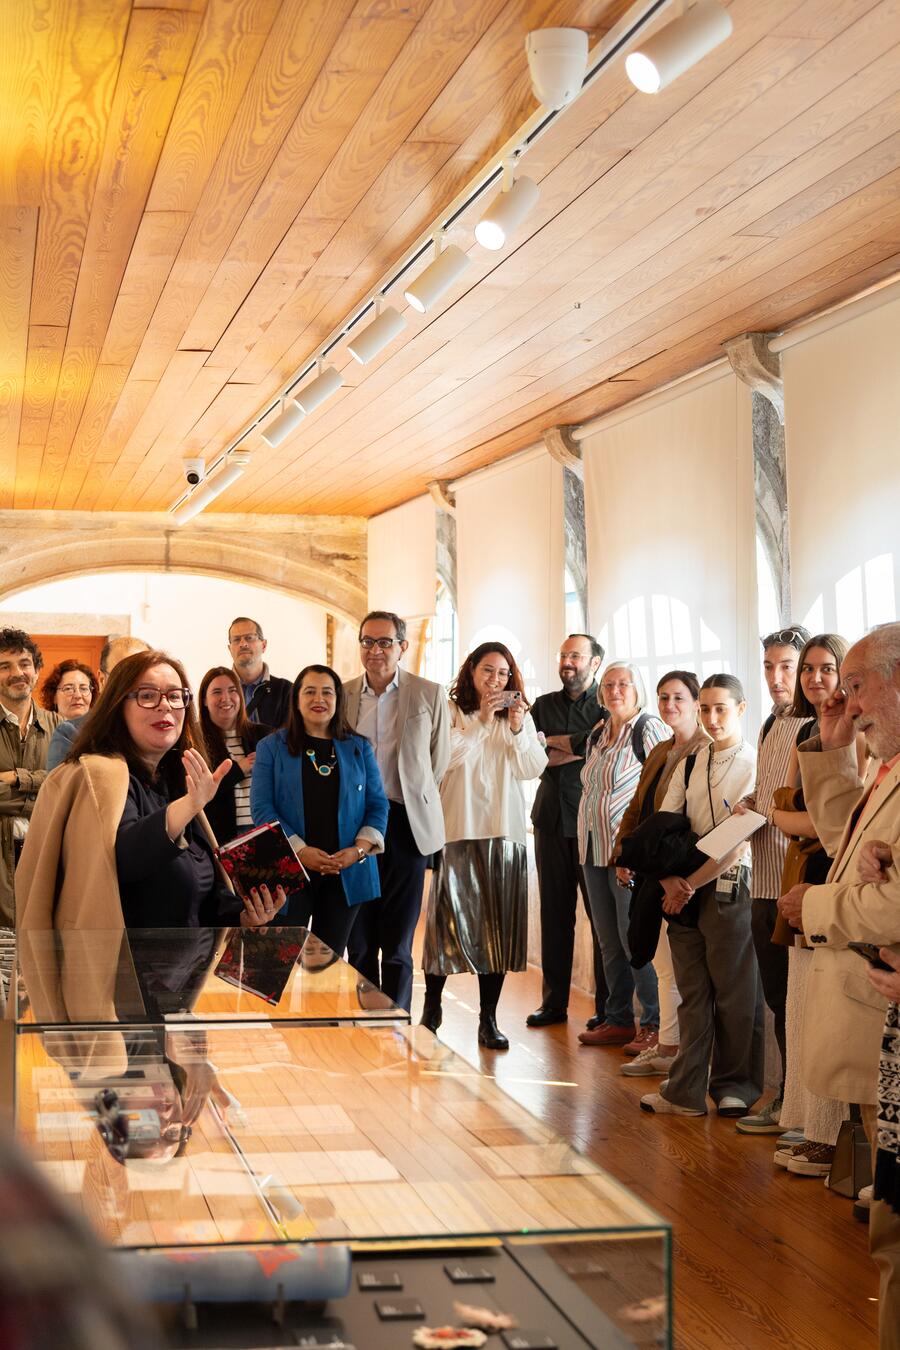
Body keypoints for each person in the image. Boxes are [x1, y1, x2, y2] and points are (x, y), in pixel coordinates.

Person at [776, 622, 900, 1350]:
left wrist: (813, 906)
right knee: (886, 1223)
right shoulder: (884, 764)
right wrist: (828, 749)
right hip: (877, 1015)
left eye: (855, 687)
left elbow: (888, 900)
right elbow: (844, 845)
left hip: (879, 1005)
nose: (849, 706)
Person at [16, 650, 283, 937]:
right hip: (125, 971)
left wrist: (244, 916)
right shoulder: (96, 776)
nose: (164, 706)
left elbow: (201, 894)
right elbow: (122, 863)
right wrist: (189, 805)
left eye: (175, 695)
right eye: (147, 695)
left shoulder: (175, 779)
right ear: (118, 706)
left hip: (188, 970)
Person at [641, 674, 762, 1117]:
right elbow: (665, 822)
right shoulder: (691, 761)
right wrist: (669, 880)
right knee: (692, 992)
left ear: (742, 710)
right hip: (681, 889)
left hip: (728, 885)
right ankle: (685, 1091)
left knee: (735, 992)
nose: (711, 719)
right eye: (705, 709)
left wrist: (688, 882)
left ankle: (737, 1086)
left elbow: (740, 839)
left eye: (721, 709)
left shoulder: (755, 763)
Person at [768, 634, 865, 1177]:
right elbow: (782, 808)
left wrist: (790, 820)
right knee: (802, 1005)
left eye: (827, 668)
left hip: (835, 876)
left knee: (829, 1010)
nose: (814, 679)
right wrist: (789, 819)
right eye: (808, 670)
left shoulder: (855, 731)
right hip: (802, 875)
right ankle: (811, 1126)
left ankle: (834, 1139)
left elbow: (829, 823)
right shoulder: (807, 731)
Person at [420, 642, 546, 1049]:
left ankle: (487, 1018)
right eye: (488, 670)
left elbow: (532, 768)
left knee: (498, 932)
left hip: (504, 834)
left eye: (504, 674)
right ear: (471, 671)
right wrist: (480, 722)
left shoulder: (516, 717)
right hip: (456, 831)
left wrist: (514, 729)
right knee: (444, 928)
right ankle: (432, 1006)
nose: (496, 680)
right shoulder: (451, 709)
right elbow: (443, 760)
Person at [343, 610, 450, 1012]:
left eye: (385, 642)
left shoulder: (428, 693)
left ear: (402, 647)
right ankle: (365, 1023)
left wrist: (411, 795)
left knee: (400, 940)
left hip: (407, 824)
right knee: (362, 938)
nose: (375, 650)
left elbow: (437, 762)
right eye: (368, 641)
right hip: (355, 825)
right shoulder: (344, 694)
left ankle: (396, 1025)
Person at [729, 623, 810, 1134]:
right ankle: (785, 1099)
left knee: (796, 1001)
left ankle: (798, 1107)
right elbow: (770, 791)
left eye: (788, 667)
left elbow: (808, 810)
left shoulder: (814, 726)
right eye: (769, 667)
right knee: (777, 997)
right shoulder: (769, 723)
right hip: (762, 878)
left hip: (795, 880)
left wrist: (770, 812)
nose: (777, 678)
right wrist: (750, 805)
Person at [251, 664, 389, 957]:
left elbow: (378, 804)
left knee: (327, 966)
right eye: (310, 691)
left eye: (327, 692)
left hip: (346, 872)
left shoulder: (359, 748)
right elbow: (262, 808)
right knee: (280, 960)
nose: (319, 699)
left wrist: (359, 851)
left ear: (338, 699)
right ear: (296, 699)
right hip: (289, 870)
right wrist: (300, 851)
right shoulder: (271, 747)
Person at [615, 670, 710, 1077]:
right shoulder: (661, 749)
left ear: (695, 704)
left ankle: (673, 1049)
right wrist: (624, 849)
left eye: (678, 698)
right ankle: (668, 1047)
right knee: (658, 961)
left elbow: (690, 822)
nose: (669, 705)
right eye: (663, 697)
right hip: (651, 866)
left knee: (675, 967)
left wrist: (670, 874)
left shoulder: (706, 750)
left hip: (682, 870)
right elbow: (638, 806)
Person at [577, 661, 667, 1050]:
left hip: (625, 852)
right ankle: (618, 1019)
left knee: (636, 939)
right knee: (608, 940)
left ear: (638, 689)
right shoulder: (598, 732)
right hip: (591, 847)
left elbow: (664, 785)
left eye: (624, 684)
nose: (616, 690)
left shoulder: (649, 729)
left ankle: (654, 1023)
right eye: (609, 684)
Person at [527, 634, 609, 1030]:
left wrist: (569, 745)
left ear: (594, 662)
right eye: (563, 655)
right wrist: (578, 745)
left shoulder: (607, 705)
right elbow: (532, 755)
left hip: (592, 823)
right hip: (549, 823)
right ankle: (553, 1003)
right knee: (554, 916)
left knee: (601, 920)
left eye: (576, 655)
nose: (568, 662)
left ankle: (609, 1009)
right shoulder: (541, 706)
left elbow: (601, 748)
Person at [0, 627, 60, 930]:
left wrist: (14, 779)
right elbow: (54, 788)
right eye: (5, 666)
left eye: (24, 664)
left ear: (37, 671)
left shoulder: (61, 727)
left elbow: (68, 791)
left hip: (48, 853)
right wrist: (42, 788)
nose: (17, 673)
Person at [47, 635, 150, 771]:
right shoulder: (71, 734)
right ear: (102, 680)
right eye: (121, 676)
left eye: (140, 674)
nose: (131, 684)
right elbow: (60, 789)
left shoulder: (162, 728)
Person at [198, 666, 271, 845]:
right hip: (223, 835)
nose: (226, 698)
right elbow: (201, 793)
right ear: (205, 700)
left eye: (232, 691)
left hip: (265, 827)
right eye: (217, 692)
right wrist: (240, 768)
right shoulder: (196, 740)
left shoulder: (264, 735)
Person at [228, 616, 292, 727]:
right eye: (237, 639)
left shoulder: (286, 690)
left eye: (249, 638)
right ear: (230, 649)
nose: (243, 644)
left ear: (264, 645)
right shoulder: (217, 691)